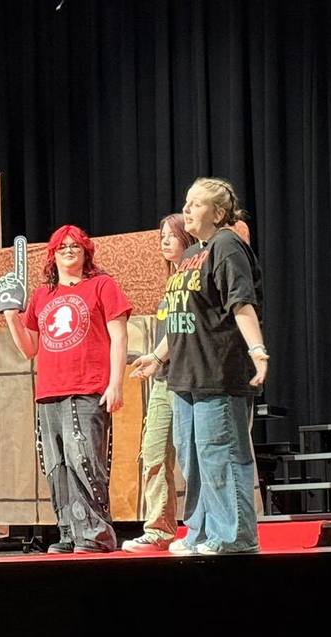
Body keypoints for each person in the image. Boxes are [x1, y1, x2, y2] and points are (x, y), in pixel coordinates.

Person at [132, 178, 268, 555]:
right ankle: (201, 533)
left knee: (221, 455)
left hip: (217, 373)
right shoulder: (196, 253)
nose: (187, 209)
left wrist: (257, 349)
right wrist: (157, 356)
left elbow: (241, 302)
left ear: (219, 213)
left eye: (196, 204)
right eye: (186, 203)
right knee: (193, 461)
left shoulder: (227, 245)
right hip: (185, 376)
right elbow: (182, 315)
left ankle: (235, 536)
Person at [3, 225, 132, 554]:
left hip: (87, 388)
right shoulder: (42, 295)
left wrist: (116, 382)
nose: (69, 250)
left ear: (86, 251)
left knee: (85, 461)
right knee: (57, 466)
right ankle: (69, 532)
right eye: (62, 247)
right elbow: (29, 348)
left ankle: (95, 535)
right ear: (53, 254)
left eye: (76, 246)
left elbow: (119, 337)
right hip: (49, 391)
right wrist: (11, 318)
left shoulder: (101, 285)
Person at [122, 214, 197, 552]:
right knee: (153, 453)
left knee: (193, 457)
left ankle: (201, 528)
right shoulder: (171, 283)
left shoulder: (196, 277)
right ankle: (160, 530)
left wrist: (156, 356)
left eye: (172, 236)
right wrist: (153, 359)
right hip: (165, 383)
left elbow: (185, 330)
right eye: (162, 237)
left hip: (191, 380)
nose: (165, 241)